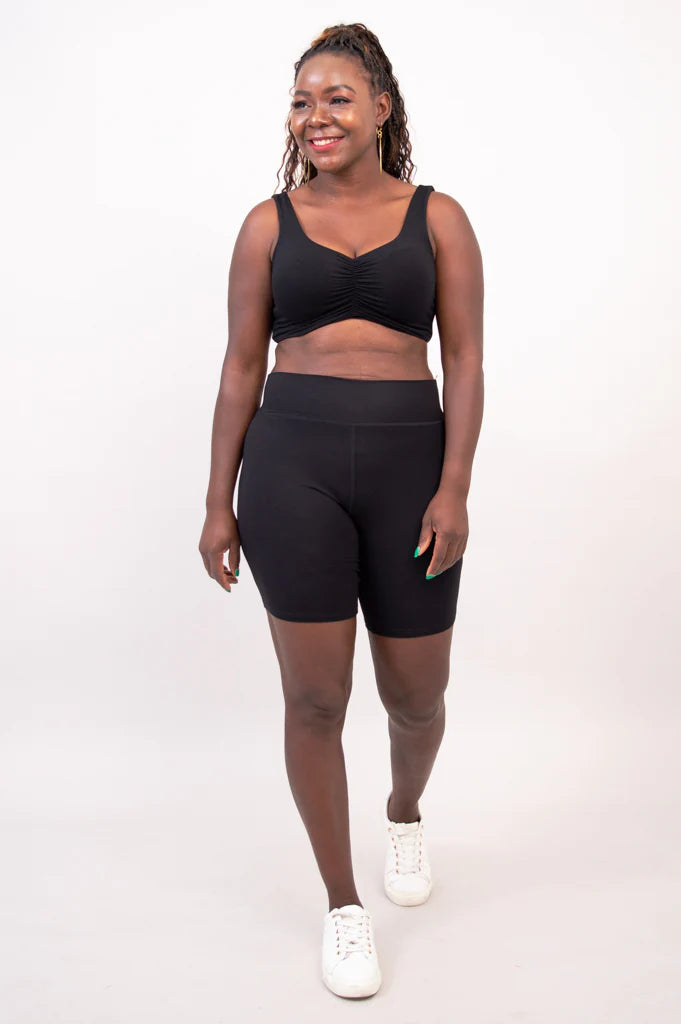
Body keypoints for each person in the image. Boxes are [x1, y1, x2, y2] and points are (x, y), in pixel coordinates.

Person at [198, 22, 484, 1000]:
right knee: (315, 701)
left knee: (417, 697)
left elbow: (466, 360)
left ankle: (404, 811)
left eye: (337, 97)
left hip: (411, 464)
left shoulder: (439, 218)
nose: (315, 116)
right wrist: (217, 502)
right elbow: (241, 367)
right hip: (292, 468)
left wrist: (454, 486)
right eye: (301, 100)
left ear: (381, 108)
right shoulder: (266, 226)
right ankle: (342, 905)